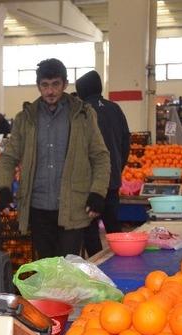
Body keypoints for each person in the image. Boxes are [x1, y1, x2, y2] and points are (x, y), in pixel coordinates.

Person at [0, 58, 110, 260]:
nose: (50, 91)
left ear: (65, 84)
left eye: (55, 84)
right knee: (46, 269)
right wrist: (3, 187)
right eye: (45, 85)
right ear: (38, 86)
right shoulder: (26, 118)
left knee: (67, 268)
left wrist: (98, 192)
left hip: (73, 206)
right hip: (38, 208)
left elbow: (100, 156)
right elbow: (8, 157)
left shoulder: (83, 115)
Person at [76, 71, 131, 257]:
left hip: (88, 185)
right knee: (114, 227)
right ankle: (121, 264)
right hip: (112, 180)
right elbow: (126, 142)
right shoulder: (115, 109)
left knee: (90, 231)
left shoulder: (81, 111)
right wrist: (116, 168)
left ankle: (97, 271)